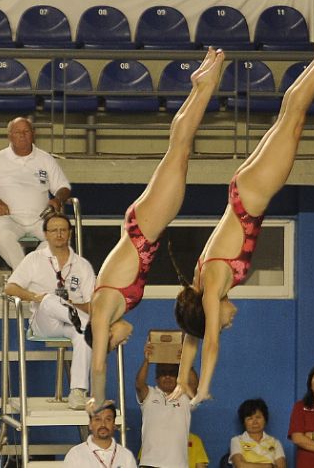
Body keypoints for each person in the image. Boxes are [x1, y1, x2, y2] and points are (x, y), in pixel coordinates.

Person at [170, 20, 314, 407]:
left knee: (295, 116)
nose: (229, 321)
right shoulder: (203, 285)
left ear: (211, 312)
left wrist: (202, 388)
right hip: (242, 189)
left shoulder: (214, 286)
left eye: (224, 321)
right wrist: (181, 379)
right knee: (289, 115)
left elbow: (210, 342)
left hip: (253, 195)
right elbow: (193, 337)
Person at [84, 47, 226, 412]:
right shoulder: (115, 311)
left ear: (105, 338)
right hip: (143, 229)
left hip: (142, 231)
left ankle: (205, 85)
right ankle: (200, 86)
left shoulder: (102, 313)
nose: (121, 341)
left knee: (179, 150)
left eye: (114, 343)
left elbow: (97, 364)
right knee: (178, 152)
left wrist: (96, 401)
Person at [4, 212, 96, 409]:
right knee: (48, 298)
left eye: (63, 230)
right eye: (54, 230)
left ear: (70, 233)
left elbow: (91, 305)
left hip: (72, 322)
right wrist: (35, 297)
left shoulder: (82, 265)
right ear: (46, 234)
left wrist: (71, 305)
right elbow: (10, 288)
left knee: (84, 335)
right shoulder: (34, 259)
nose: (59, 234)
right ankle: (73, 315)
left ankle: (77, 392)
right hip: (44, 321)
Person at [0, 116, 72, 269]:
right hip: (8, 217)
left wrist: (57, 199)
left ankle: (26, 277)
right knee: (4, 237)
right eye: (18, 132)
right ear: (10, 135)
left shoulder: (45, 159)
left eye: (26, 131)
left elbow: (63, 187)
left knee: (61, 237)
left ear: (33, 134)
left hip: (41, 217)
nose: (22, 135)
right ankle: (26, 277)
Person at [136, 339, 202, 468]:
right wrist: (147, 360)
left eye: (172, 373)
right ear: (156, 378)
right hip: (149, 463)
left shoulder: (184, 396)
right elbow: (139, 384)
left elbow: (194, 386)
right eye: (163, 373)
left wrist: (187, 364)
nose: (167, 377)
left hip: (178, 464)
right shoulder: (149, 394)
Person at [62, 403, 138, 468]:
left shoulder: (126, 456)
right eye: (98, 419)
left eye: (108, 419)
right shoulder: (75, 455)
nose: (103, 424)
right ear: (90, 424)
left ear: (114, 424)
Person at [229, 398, 286, 468]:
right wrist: (269, 466)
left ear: (265, 420)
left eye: (258, 417)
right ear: (244, 422)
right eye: (250, 418)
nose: (255, 422)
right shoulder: (236, 440)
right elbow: (240, 465)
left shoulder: (275, 443)